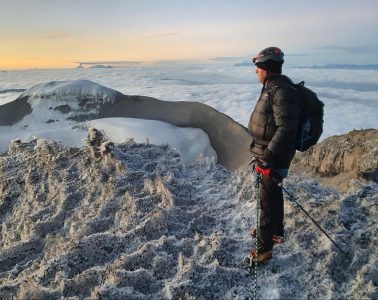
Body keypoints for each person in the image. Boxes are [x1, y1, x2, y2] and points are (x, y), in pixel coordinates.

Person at [247, 47, 301, 263]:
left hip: (273, 154)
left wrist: (267, 158)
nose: (255, 72)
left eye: (258, 68)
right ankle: (275, 232)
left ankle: (264, 248)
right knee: (273, 193)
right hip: (270, 152)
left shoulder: (281, 91)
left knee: (267, 200)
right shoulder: (274, 87)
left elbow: (286, 129)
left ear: (267, 69)